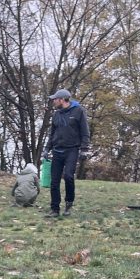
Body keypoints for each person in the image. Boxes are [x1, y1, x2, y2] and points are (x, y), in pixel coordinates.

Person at [41, 89, 91, 217]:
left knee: (69, 176)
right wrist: (47, 148)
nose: (53, 101)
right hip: (57, 150)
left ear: (62, 100)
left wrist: (84, 149)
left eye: (55, 99)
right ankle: (55, 209)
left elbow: (85, 131)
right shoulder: (56, 114)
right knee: (54, 181)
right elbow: (52, 133)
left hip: (72, 150)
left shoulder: (79, 111)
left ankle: (69, 203)